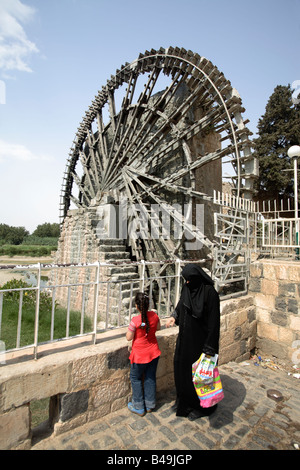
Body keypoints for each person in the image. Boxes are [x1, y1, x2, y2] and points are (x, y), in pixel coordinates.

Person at [166, 263, 220, 420]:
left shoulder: (210, 294)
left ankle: (202, 407)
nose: (187, 283)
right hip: (184, 340)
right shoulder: (187, 288)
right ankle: (184, 402)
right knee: (182, 372)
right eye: (186, 280)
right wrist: (174, 316)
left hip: (200, 343)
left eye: (189, 280)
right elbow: (181, 304)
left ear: (197, 278)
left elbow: (214, 324)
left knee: (200, 376)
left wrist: (209, 349)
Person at [126, 292, 161, 416]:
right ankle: (150, 405)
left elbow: (128, 338)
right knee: (150, 377)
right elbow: (158, 328)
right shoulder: (155, 316)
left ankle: (138, 406)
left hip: (140, 355)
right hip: (154, 352)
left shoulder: (135, 321)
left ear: (136, 306)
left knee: (135, 378)